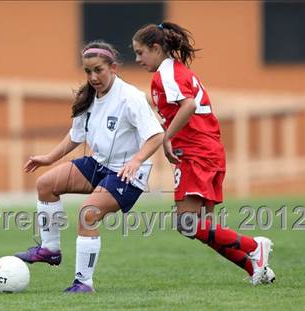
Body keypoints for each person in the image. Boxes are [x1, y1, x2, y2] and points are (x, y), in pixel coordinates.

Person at [132, 22, 275, 285]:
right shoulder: (178, 71)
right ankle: (255, 268)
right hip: (208, 150)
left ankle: (255, 247)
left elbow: (189, 104)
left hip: (196, 153)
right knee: (203, 229)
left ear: (155, 48)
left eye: (140, 52)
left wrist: (167, 138)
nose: (137, 59)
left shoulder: (166, 74)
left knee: (187, 224)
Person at [15, 41, 164, 293]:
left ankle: (83, 283)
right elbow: (76, 135)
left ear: (113, 68)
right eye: (87, 71)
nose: (93, 77)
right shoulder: (88, 97)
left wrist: (136, 160)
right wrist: (50, 158)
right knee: (46, 185)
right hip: (100, 164)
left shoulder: (131, 98)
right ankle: (50, 250)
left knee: (88, 213)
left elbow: (156, 135)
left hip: (127, 174)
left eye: (98, 70)